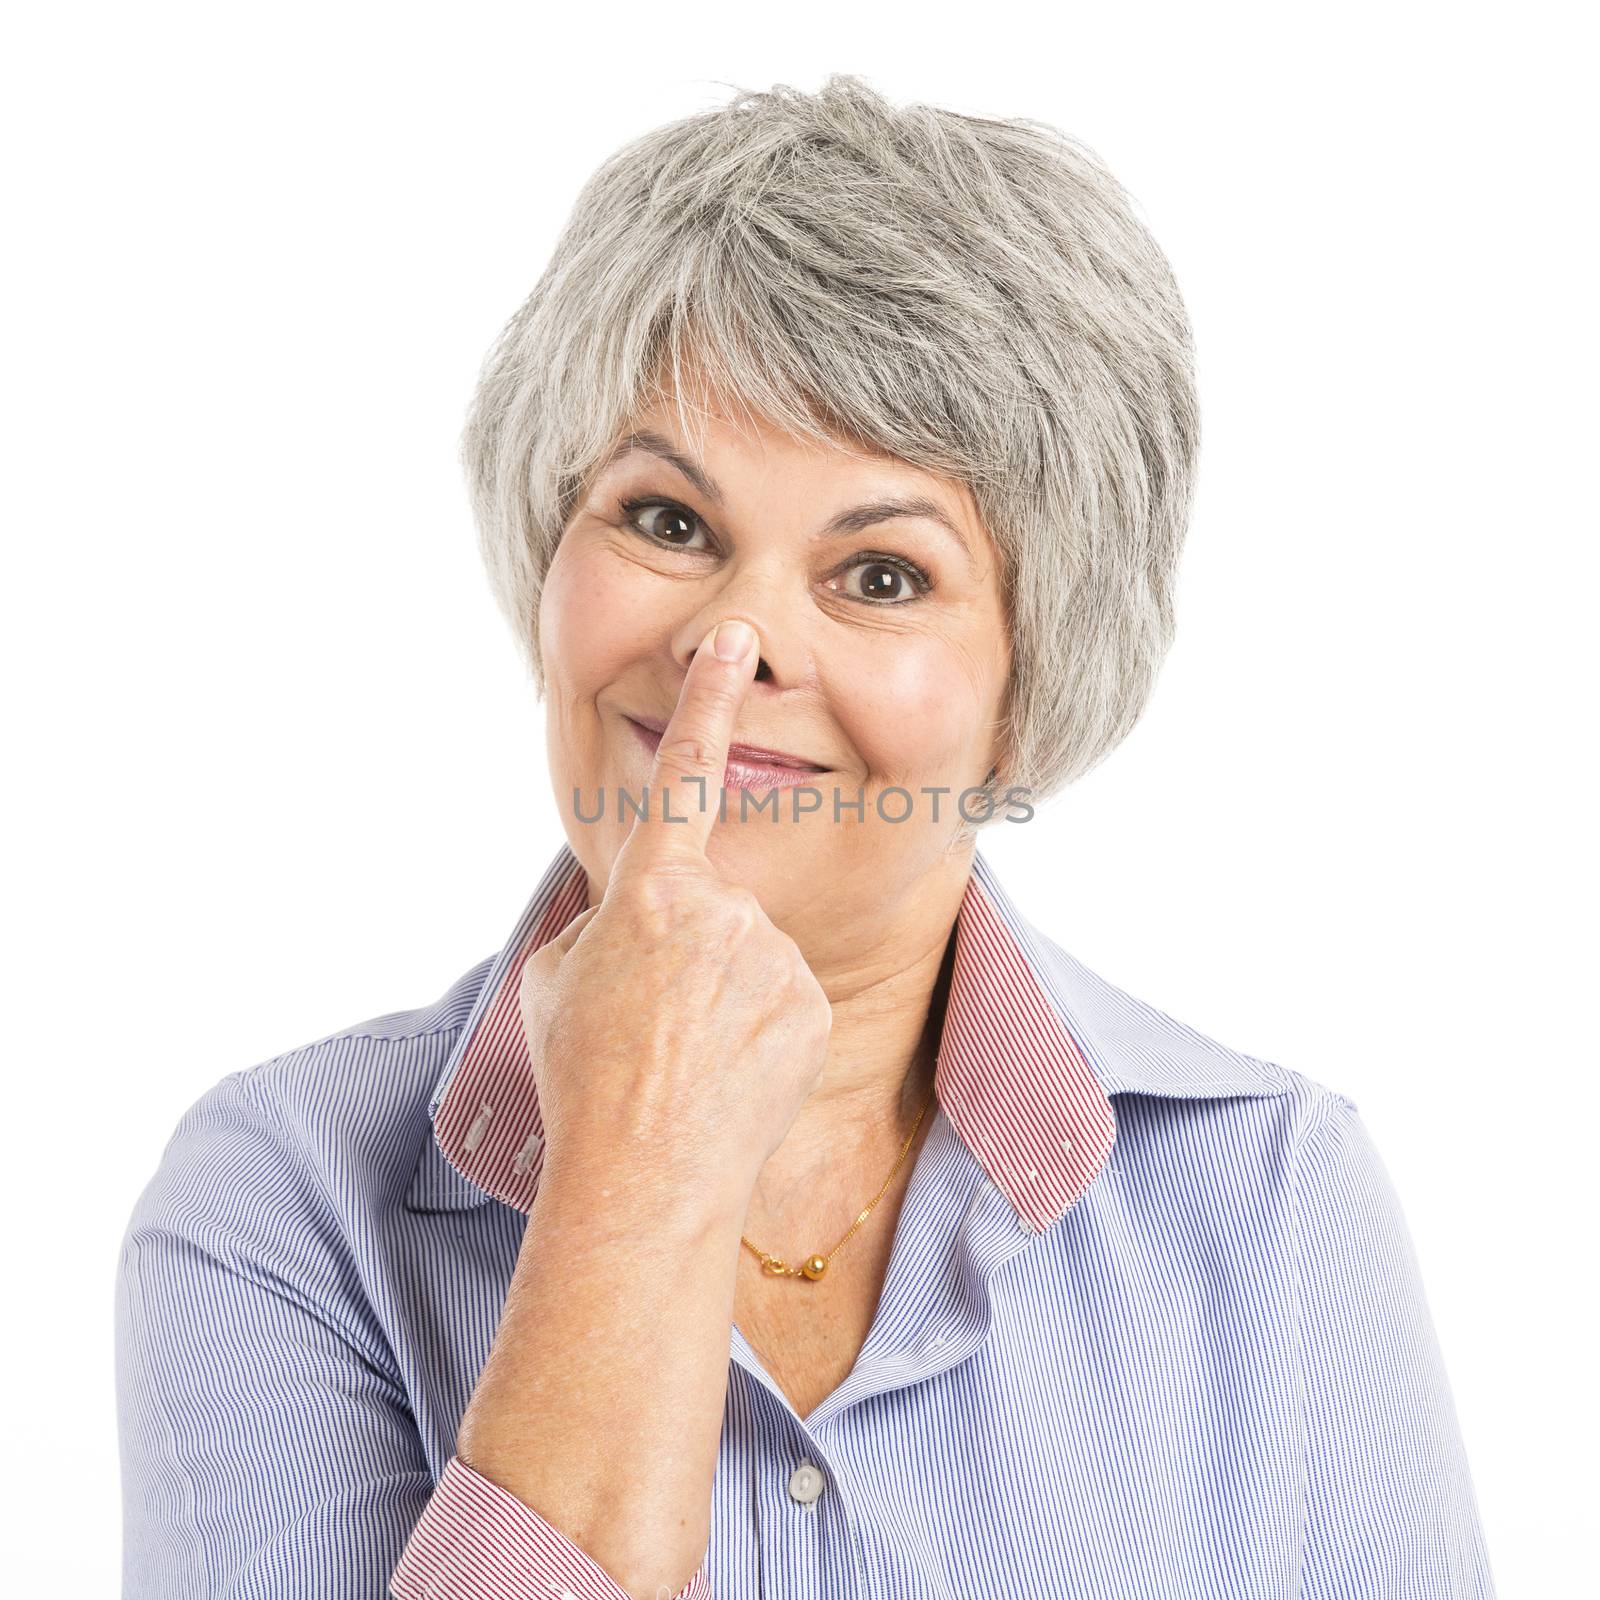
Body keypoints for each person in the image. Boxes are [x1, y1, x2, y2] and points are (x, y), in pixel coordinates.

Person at [115, 74, 1497, 1599]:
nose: (734, 642)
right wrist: (634, 1181)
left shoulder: (1274, 1201)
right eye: (668, 521)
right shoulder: (284, 1202)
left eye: (885, 575)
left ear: (1029, 692)